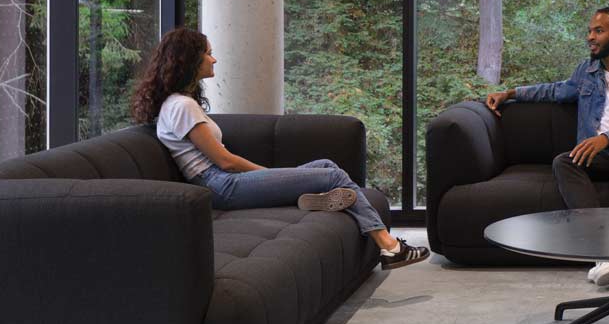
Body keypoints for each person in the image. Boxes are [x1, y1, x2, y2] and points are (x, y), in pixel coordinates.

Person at [132, 27, 428, 270]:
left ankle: (312, 198)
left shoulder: (178, 103)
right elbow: (224, 162)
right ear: (189, 60)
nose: (214, 59)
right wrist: (269, 174)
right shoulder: (182, 106)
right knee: (334, 176)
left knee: (324, 165)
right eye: (208, 53)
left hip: (220, 183)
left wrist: (276, 178)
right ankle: (389, 247)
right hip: (221, 186)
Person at [481, 6, 609, 287]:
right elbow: (555, 90)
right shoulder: (587, 72)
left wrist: (608, 138)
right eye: (589, 31)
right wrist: (510, 93)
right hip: (599, 158)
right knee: (564, 161)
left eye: (598, 31)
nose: (590, 37)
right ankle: (603, 251)